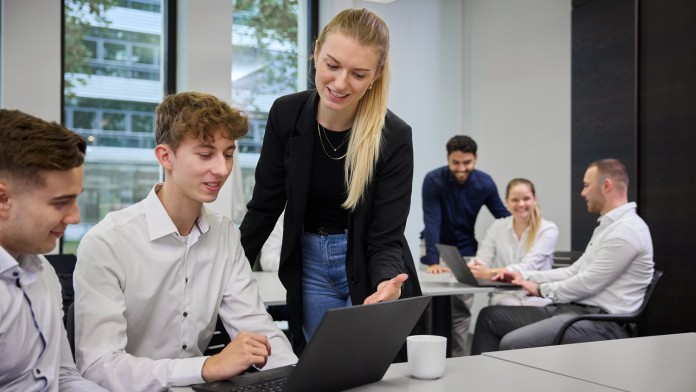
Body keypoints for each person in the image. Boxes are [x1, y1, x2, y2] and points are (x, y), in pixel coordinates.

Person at [73, 92, 297, 391]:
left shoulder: (225, 235)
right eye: (205, 154)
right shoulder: (108, 243)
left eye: (228, 154)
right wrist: (206, 366)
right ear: (166, 157)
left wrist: (298, 379)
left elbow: (257, 328)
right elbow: (99, 367)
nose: (221, 169)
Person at [239, 8, 422, 352]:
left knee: (368, 372)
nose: (339, 84)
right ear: (316, 51)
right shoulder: (286, 113)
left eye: (358, 74)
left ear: (376, 76)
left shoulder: (393, 136)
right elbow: (264, 208)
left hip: (367, 265)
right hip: (309, 263)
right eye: (332, 65)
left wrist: (387, 284)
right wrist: (224, 271)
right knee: (326, 367)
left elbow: (385, 237)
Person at [471, 159, 654, 354]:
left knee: (513, 342)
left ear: (606, 186)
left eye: (586, 185)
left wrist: (541, 290)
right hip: (575, 311)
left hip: (602, 323)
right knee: (489, 317)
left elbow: (586, 283)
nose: (583, 193)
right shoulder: (608, 227)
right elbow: (573, 271)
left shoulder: (626, 231)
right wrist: (525, 278)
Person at [0, 109, 107, 391]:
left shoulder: (42, 271)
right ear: (2, 198)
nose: (74, 217)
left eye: (76, 200)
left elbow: (62, 377)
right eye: (61, 202)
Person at [421, 134, 510, 356]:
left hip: (466, 249)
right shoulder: (433, 180)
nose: (461, 168)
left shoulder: (485, 183)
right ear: (448, 159)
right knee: (429, 305)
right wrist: (433, 260)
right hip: (435, 245)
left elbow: (503, 216)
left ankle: (458, 359)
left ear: (475, 159)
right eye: (456, 163)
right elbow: (432, 221)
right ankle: (428, 356)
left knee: (460, 309)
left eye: (467, 163)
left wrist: (528, 226)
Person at [468, 178, 559, 306]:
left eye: (526, 199)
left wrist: (490, 273)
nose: (521, 204)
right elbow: (483, 258)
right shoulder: (497, 226)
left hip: (535, 295)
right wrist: (472, 267)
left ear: (534, 199)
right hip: (505, 293)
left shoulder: (548, 229)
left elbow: (528, 266)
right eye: (515, 200)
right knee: (505, 305)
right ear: (507, 202)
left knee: (505, 310)